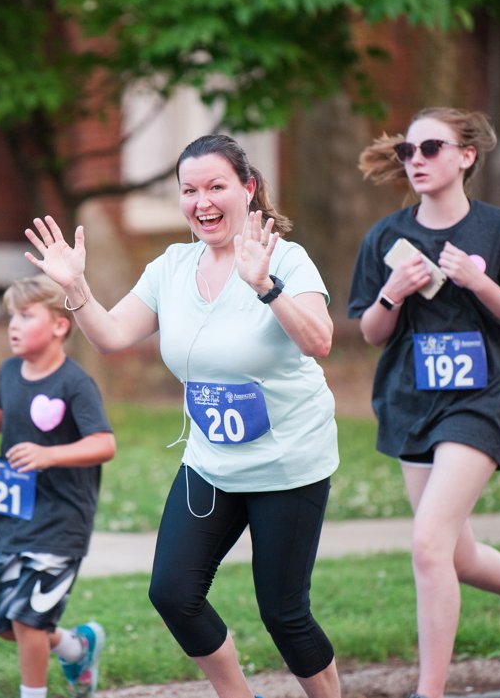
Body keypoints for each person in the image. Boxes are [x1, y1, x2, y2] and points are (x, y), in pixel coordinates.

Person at [23, 134, 343, 698]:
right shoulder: (171, 266)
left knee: (284, 612)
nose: (203, 202)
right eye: (189, 191)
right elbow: (112, 336)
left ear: (248, 188)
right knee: (173, 593)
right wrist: (75, 286)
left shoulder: (284, 259)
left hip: (288, 465)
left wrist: (265, 286)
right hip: (211, 463)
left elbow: (319, 341)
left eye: (216, 186)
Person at [347, 107, 500, 698]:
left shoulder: (499, 230)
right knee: (456, 554)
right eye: (408, 151)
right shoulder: (386, 237)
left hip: (480, 398)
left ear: (466, 156)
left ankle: (430, 692)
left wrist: (478, 282)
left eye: (431, 148)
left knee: (428, 545)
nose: (416, 160)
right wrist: (392, 294)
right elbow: (371, 332)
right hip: (410, 401)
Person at [0, 274, 117, 698]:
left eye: (26, 316)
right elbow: (2, 406)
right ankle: (76, 647)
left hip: (61, 520)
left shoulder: (75, 383)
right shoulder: (10, 371)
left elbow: (105, 444)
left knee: (28, 619)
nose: (13, 324)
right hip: (15, 514)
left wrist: (50, 455)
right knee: (6, 622)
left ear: (59, 326)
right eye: (11, 316)